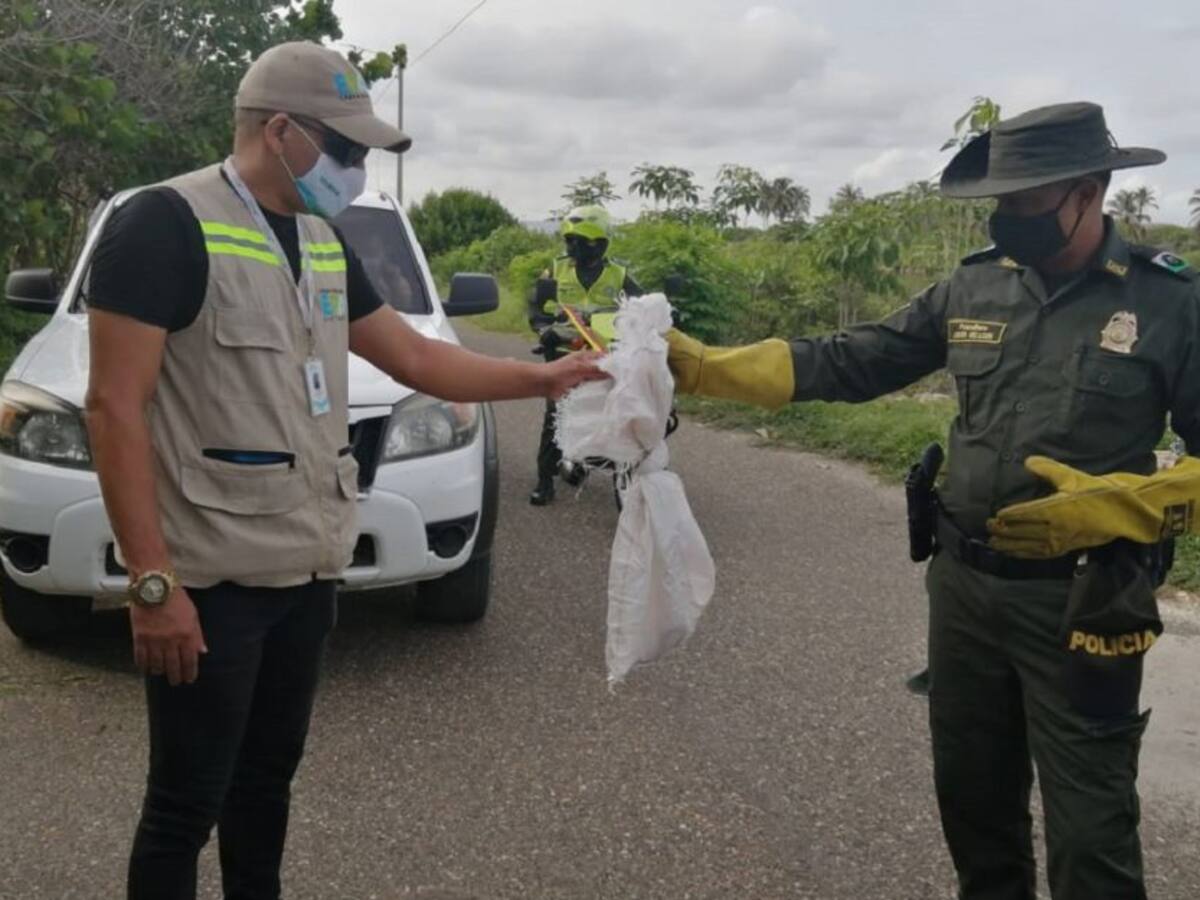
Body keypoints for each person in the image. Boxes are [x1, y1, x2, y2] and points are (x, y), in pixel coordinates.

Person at [84, 42, 604, 900]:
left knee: (265, 786)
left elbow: (416, 358)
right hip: (210, 581)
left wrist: (543, 378)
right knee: (185, 804)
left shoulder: (322, 239)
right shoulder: (164, 224)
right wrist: (151, 584)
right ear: (280, 131)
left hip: (307, 569)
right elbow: (114, 408)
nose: (356, 168)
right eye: (347, 147)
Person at [665, 102, 1200, 899]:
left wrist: (1132, 502)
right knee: (974, 807)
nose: (1005, 215)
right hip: (964, 593)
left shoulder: (1170, 303)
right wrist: (711, 367)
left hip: (1087, 602)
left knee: (1092, 836)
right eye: (1000, 200)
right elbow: (861, 357)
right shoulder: (976, 283)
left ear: (1088, 193)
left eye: (1024, 199)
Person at [527, 204, 643, 505]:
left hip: (606, 354)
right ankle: (544, 480)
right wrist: (543, 330)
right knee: (556, 413)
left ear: (598, 243)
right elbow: (536, 306)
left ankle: (609, 468)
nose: (571, 247)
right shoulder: (556, 269)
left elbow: (641, 308)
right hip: (563, 351)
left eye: (578, 241)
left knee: (612, 411)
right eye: (569, 241)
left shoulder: (619, 274)